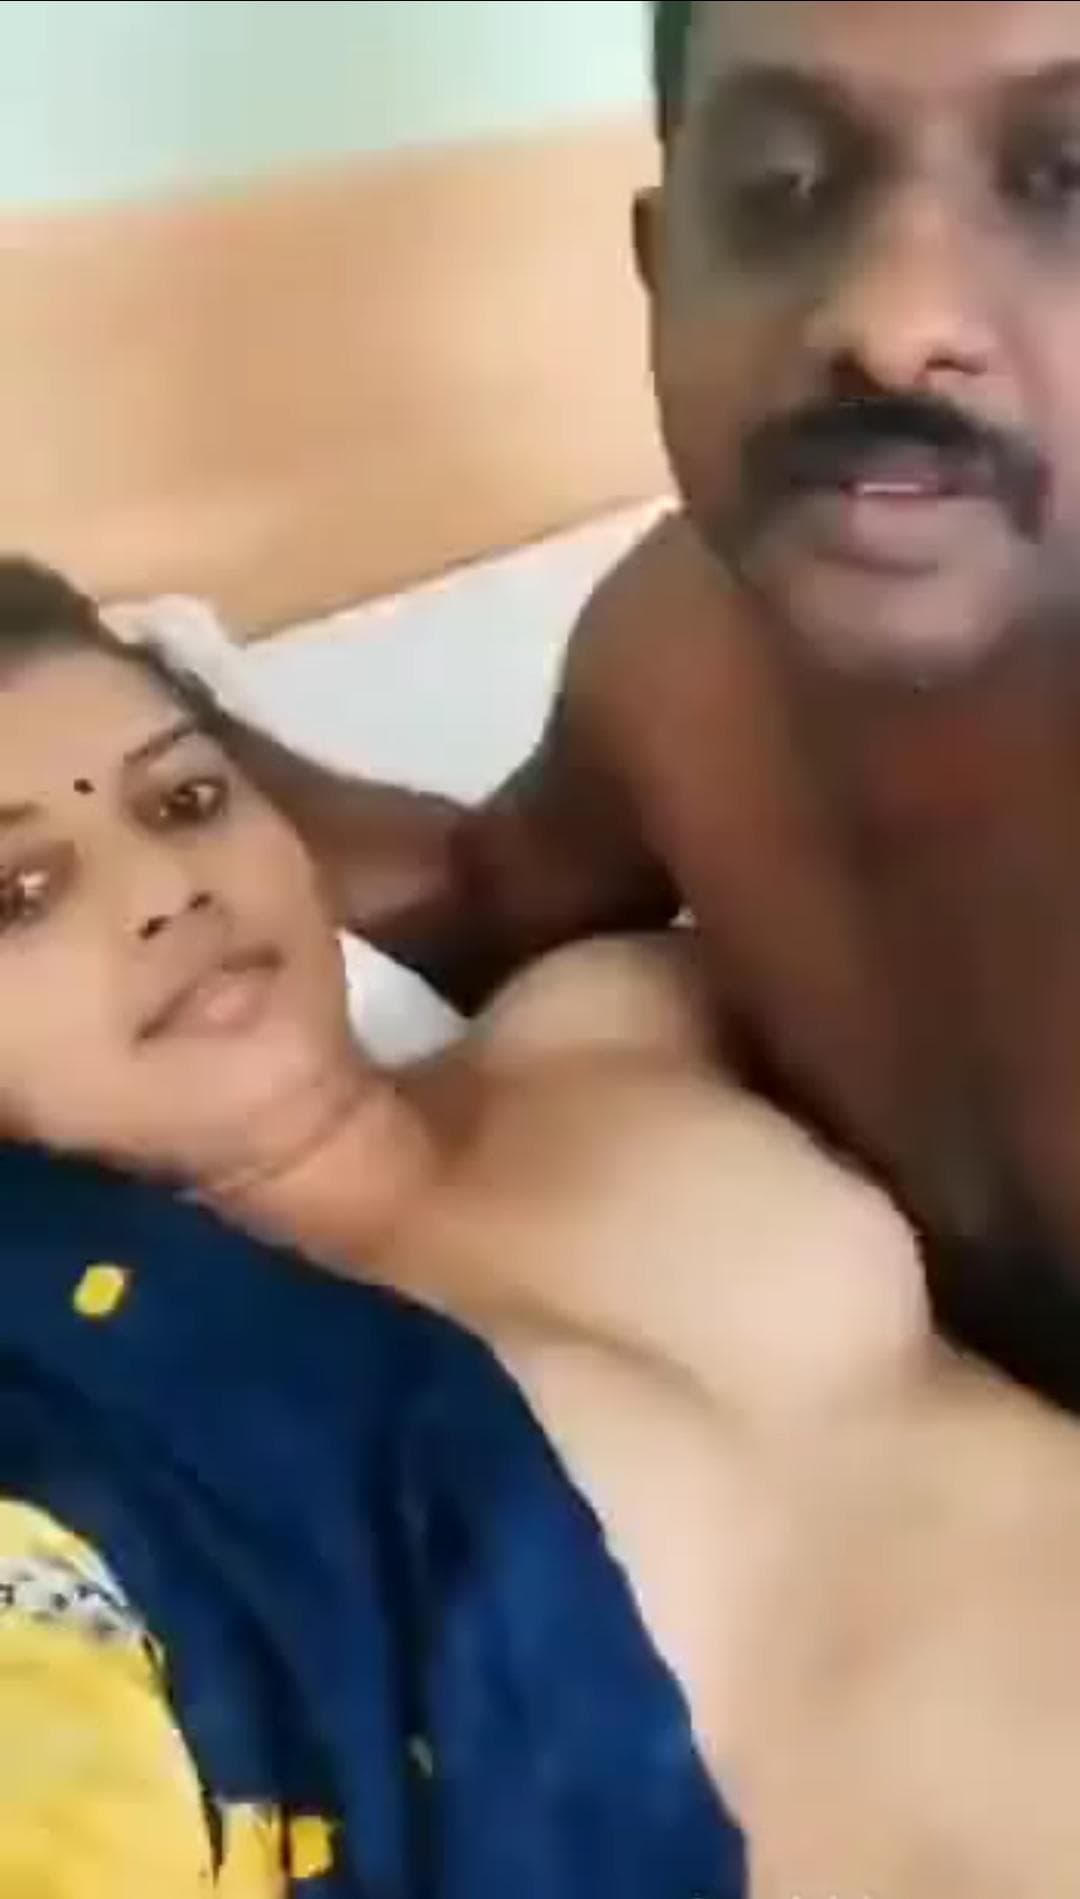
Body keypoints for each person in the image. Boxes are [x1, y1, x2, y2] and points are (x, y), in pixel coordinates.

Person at [9, 560, 1080, 1898]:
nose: (169, 885)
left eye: (188, 798)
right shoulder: (143, 1463)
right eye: (22, 893)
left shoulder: (614, 1022)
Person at [229, 0, 1080, 1414]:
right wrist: (165, 728)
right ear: (656, 268)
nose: (888, 325)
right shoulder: (677, 650)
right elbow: (487, 893)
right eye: (781, 191)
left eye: (1064, 184)